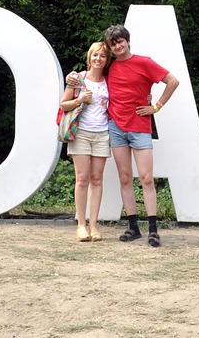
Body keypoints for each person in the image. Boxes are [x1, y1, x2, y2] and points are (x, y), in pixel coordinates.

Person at [68, 24, 179, 247]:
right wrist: (73, 76)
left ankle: (153, 230)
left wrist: (156, 107)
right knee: (125, 178)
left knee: (147, 178)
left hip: (140, 127)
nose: (117, 46)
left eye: (120, 41)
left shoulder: (144, 62)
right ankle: (133, 227)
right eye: (113, 44)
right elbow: (91, 73)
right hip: (116, 128)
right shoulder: (110, 68)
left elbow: (172, 81)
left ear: (127, 41)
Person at [58, 42, 112, 242]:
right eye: (95, 55)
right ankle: (81, 225)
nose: (98, 59)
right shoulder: (78, 79)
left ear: (107, 61)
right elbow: (64, 105)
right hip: (80, 133)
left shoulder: (109, 81)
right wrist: (80, 99)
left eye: (103, 56)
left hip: (102, 134)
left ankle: (94, 224)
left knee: (97, 179)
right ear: (89, 58)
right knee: (82, 179)